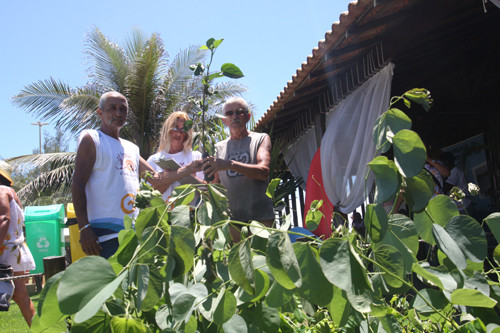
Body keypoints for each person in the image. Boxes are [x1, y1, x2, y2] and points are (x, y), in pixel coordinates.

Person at [72, 91, 165, 258]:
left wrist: (187, 171)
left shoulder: (132, 148)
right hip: (103, 236)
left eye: (123, 109)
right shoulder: (92, 139)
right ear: (100, 113)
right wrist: (84, 228)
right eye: (112, 108)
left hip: (132, 233)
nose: (118, 113)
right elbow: (78, 184)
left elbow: (156, 180)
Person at [202, 97, 275, 241]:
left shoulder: (260, 139)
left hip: (260, 220)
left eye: (239, 112)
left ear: (248, 117)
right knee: (234, 262)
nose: (234, 116)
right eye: (229, 113)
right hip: (231, 222)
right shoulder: (218, 148)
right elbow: (215, 185)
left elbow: (263, 171)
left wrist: (229, 164)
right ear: (224, 120)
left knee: (262, 261)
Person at [0, 160, 36, 326]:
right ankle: (42, 329)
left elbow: (4, 219)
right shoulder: (12, 192)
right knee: (21, 295)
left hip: (5, 249)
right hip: (17, 249)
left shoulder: (1, 190)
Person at [147, 111, 204, 202]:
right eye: (175, 128)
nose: (179, 133)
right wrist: (170, 177)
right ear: (167, 129)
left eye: (183, 130)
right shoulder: (154, 160)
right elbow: (148, 196)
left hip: (189, 213)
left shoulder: (195, 156)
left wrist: (193, 180)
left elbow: (206, 191)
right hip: (163, 213)